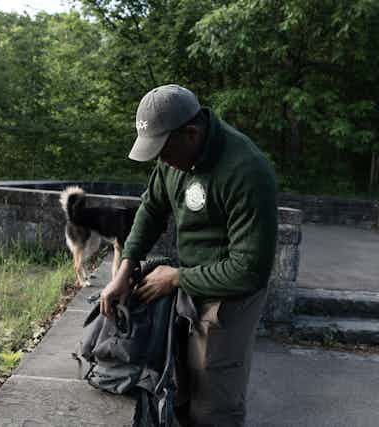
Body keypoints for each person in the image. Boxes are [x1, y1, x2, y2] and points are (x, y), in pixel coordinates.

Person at [100, 84, 278, 427]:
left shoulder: (246, 171)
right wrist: (126, 268)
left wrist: (176, 277)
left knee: (212, 403)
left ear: (191, 133)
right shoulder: (174, 158)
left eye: (163, 151)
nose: (160, 161)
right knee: (176, 386)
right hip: (189, 280)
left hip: (231, 297)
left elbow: (250, 270)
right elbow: (152, 208)